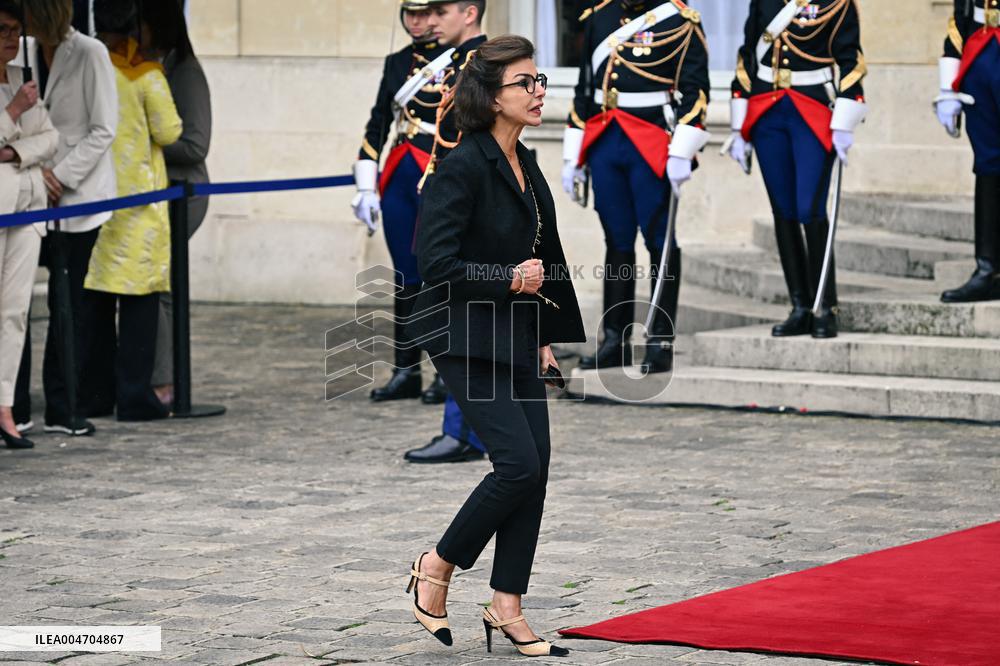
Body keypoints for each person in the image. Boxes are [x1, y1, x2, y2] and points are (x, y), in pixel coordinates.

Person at [403, 35, 585, 658]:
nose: (539, 92)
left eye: (540, 81)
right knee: (517, 465)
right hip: (460, 333)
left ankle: (506, 603)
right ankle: (437, 565)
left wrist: (545, 339)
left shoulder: (525, 163)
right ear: (492, 97)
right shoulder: (459, 166)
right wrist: (508, 277)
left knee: (535, 468)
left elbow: (548, 256)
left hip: (512, 333)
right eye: (526, 83)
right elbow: (434, 263)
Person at [562, 0, 711, 374]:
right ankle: (615, 339)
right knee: (617, 240)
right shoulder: (599, 16)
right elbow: (584, 89)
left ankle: (660, 340)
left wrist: (682, 148)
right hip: (605, 139)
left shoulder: (680, 20)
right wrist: (573, 152)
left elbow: (696, 92)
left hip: (651, 140)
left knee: (660, 241)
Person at [726, 0, 867, 338]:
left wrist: (846, 118)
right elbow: (748, 56)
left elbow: (852, 61)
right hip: (766, 108)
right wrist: (737, 123)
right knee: (784, 210)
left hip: (812, 108)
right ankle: (800, 305)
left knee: (810, 209)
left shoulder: (837, 3)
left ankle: (825, 305)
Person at [401, 0, 493, 464]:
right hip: (450, 189)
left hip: (467, 194)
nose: (429, 22)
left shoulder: (486, 63)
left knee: (461, 312)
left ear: (469, 13)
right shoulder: (452, 63)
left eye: (440, 12)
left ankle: (463, 431)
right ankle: (470, 430)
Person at [20, 0, 118, 436]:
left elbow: (103, 128)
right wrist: (35, 171)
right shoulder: (18, 48)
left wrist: (59, 175)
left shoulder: (91, 52)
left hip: (76, 195)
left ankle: (63, 406)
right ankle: (15, 406)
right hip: (26, 192)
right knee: (16, 301)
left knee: (69, 304)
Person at [84, 0, 181, 421]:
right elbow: (170, 130)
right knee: (140, 302)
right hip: (138, 201)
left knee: (97, 303)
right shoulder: (146, 75)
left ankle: (93, 394)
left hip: (93, 196)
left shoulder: (86, 67)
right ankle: (134, 395)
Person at [352, 1, 448, 404]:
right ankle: (405, 369)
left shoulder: (463, 60)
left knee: (443, 274)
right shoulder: (396, 63)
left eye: (427, 14)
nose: (418, 22)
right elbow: (378, 122)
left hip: (442, 171)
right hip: (401, 172)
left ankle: (447, 372)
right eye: (411, 14)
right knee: (405, 276)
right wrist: (365, 183)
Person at [140, 0, 211, 407]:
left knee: (161, 288)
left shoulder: (184, 72)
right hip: (156, 190)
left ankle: (164, 383)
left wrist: (143, 144)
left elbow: (195, 144)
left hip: (182, 190)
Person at [0, 1, 59, 449]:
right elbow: (28, 124)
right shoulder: (20, 93)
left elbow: (51, 138)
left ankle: (3, 406)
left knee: (16, 310)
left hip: (27, 205)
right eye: (3, 30)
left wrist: (12, 150)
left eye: (16, 31)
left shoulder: (21, 80)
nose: (11, 40)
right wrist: (14, 115)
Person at [935, 0, 1000, 302]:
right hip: (981, 48)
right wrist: (948, 85)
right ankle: (988, 270)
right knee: (987, 161)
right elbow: (961, 12)